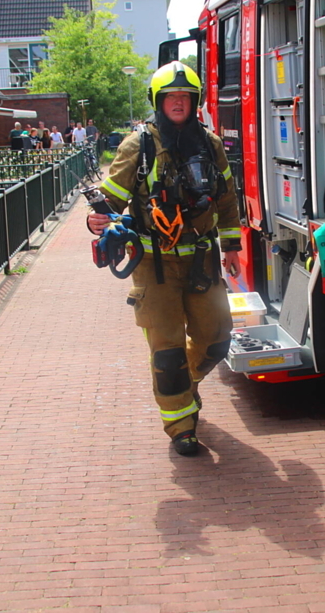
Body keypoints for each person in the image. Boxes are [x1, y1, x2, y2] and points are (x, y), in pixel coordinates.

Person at [88, 62, 241, 456]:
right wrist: (97, 220)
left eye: (185, 96)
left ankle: (185, 384)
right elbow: (110, 201)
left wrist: (232, 246)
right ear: (157, 101)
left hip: (202, 260)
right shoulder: (136, 146)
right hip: (153, 266)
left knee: (217, 339)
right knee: (168, 353)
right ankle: (180, 426)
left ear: (194, 101)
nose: (178, 102)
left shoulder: (210, 144)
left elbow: (226, 198)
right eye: (170, 96)